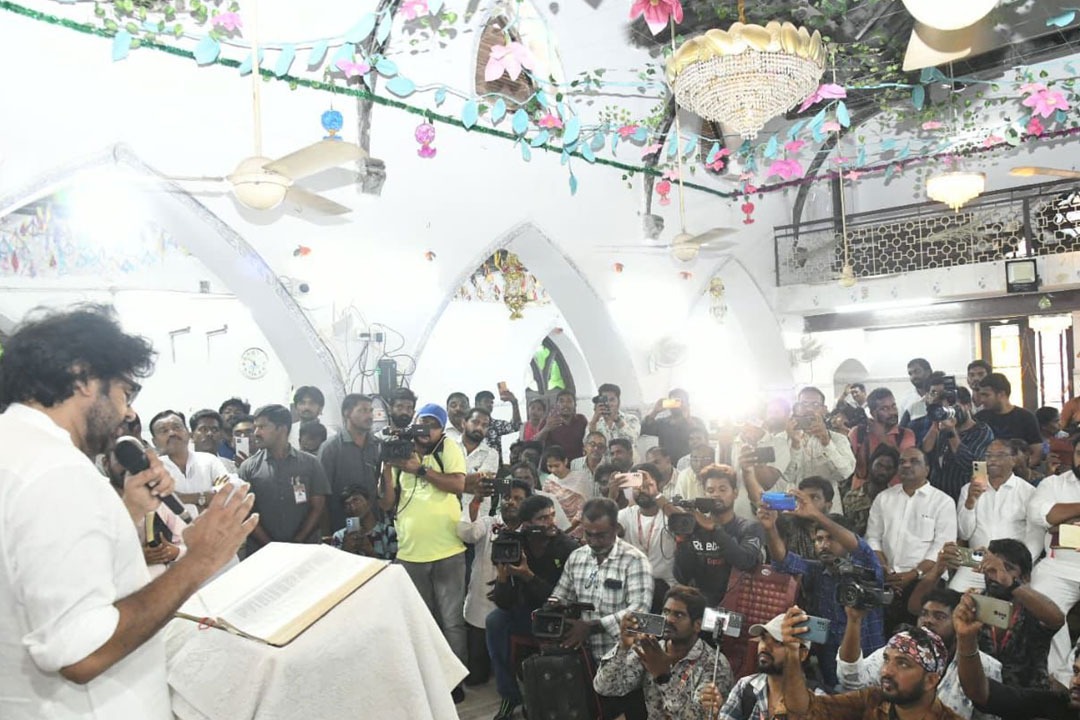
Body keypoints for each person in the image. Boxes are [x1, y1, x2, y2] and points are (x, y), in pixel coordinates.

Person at [0, 305, 255, 718]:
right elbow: (81, 652)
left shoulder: (16, 448)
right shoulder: (56, 470)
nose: (128, 412)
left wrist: (129, 511)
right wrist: (202, 560)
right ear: (83, 377)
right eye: (124, 392)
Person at [376, 402, 470, 703]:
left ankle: (455, 682)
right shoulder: (401, 450)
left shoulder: (448, 448)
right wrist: (387, 468)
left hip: (448, 550)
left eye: (433, 425)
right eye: (422, 423)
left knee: (452, 621)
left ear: (442, 429)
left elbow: (458, 484)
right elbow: (386, 503)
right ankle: (429, 679)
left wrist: (420, 469)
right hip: (411, 553)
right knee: (421, 621)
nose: (426, 429)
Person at [759, 490, 886, 689]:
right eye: (819, 539)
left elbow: (860, 549)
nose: (824, 545)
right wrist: (770, 528)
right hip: (831, 674)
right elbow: (783, 561)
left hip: (869, 674)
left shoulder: (866, 570)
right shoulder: (817, 571)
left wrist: (817, 515)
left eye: (831, 538)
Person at [548, 498, 654, 718]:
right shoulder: (577, 557)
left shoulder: (634, 560)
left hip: (625, 663)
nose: (594, 541)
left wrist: (592, 626)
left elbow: (639, 612)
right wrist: (553, 609)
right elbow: (560, 594)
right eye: (589, 534)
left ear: (615, 528)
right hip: (584, 661)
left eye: (601, 535)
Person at [908, 539, 1061, 689]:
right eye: (992, 566)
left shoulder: (1035, 610)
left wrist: (1010, 583)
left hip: (1026, 697)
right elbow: (915, 607)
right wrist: (936, 571)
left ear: (1025, 577)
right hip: (977, 694)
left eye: (1007, 568)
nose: (996, 574)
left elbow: (1057, 619)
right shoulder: (968, 604)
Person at [838, 588, 1000, 720]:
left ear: (959, 621)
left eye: (939, 616)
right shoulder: (897, 651)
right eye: (924, 614)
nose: (928, 620)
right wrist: (854, 621)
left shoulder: (985, 666)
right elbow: (851, 679)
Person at [783, 605, 963, 720]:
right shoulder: (872, 700)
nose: (886, 671)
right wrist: (792, 653)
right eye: (886, 659)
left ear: (930, 680)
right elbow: (805, 710)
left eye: (903, 664)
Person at [488, 494, 580, 719]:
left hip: (557, 614)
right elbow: (504, 602)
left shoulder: (566, 547)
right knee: (495, 621)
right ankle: (509, 695)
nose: (551, 522)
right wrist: (502, 578)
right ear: (527, 524)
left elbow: (561, 598)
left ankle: (551, 700)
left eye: (552, 515)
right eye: (543, 518)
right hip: (524, 611)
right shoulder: (514, 544)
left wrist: (528, 576)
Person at [593, 585, 732, 720]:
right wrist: (623, 647)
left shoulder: (715, 664)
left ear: (697, 625)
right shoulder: (651, 649)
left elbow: (698, 717)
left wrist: (664, 678)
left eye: (678, 615)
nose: (668, 619)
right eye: (665, 612)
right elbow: (605, 687)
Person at [865, 447, 956, 628]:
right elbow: (873, 538)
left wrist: (914, 574)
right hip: (887, 579)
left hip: (925, 580)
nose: (906, 465)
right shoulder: (884, 498)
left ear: (927, 469)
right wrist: (885, 568)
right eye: (902, 462)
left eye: (914, 461)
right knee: (883, 632)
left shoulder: (943, 502)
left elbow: (941, 547)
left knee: (919, 635)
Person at [953, 592, 1080, 720]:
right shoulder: (1055, 705)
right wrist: (966, 638)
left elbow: (1056, 620)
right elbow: (979, 693)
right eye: (1076, 672)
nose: (1076, 681)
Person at [458, 479, 532, 687]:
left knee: (518, 670)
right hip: (481, 608)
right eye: (507, 497)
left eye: (517, 498)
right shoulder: (489, 523)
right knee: (477, 676)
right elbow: (466, 533)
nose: (510, 502)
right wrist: (476, 501)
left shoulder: (531, 531)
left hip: (514, 608)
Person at [239, 404, 331, 556]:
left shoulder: (311, 464)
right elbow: (246, 513)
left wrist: (298, 541)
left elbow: (318, 506)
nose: (256, 433)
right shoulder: (248, 468)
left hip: (305, 551)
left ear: (281, 429)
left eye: (262, 427)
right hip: (263, 554)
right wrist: (271, 547)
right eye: (256, 427)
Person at [954, 439, 1043, 591]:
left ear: (1013, 460)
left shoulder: (1028, 492)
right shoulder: (968, 489)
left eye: (1000, 455)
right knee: (954, 594)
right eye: (988, 455)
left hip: (1011, 567)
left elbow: (1036, 536)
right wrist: (970, 502)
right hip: (976, 562)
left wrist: (1018, 566)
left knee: (1012, 602)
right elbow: (964, 533)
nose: (992, 460)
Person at [670, 465, 765, 605]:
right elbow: (682, 577)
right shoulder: (693, 528)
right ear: (704, 494)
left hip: (737, 604)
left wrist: (715, 529)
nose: (716, 495)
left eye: (722, 489)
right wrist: (682, 541)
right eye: (710, 490)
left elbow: (745, 562)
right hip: (699, 605)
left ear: (735, 493)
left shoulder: (749, 528)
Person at [1027, 436, 1080, 687]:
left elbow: (1056, 518)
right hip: (1058, 566)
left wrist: (1064, 520)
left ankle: (1073, 674)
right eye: (1079, 453)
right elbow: (1042, 515)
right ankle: (1058, 681)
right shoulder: (1053, 484)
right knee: (1041, 605)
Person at [701, 612, 815, 720]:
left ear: (802, 654)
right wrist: (714, 715)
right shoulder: (745, 686)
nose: (765, 646)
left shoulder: (816, 700)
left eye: (778, 642)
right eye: (763, 638)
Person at [317, 393, 382, 533]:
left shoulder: (378, 445)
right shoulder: (331, 448)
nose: (369, 416)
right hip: (341, 528)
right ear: (347, 413)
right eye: (363, 410)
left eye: (371, 411)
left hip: (374, 528)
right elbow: (321, 495)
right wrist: (326, 533)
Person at [617, 463, 678, 612]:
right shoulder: (625, 515)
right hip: (632, 586)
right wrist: (612, 494)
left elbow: (682, 523)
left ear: (659, 485)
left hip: (666, 589)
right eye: (636, 487)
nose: (641, 491)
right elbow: (607, 529)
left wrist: (655, 494)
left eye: (646, 485)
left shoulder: (669, 512)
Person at [921, 382, 994, 502]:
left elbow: (971, 465)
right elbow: (925, 451)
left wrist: (951, 431)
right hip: (938, 498)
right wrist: (936, 422)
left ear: (968, 406)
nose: (951, 413)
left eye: (954, 408)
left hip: (965, 498)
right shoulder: (943, 429)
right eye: (947, 409)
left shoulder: (982, 431)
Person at [784, 386, 857, 502]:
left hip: (827, 506)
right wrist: (795, 445)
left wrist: (826, 442)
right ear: (797, 409)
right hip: (795, 504)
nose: (809, 409)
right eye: (804, 404)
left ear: (824, 410)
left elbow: (845, 473)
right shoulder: (784, 438)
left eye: (815, 405)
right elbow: (787, 477)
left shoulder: (839, 439)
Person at [849, 388, 916, 488]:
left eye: (893, 406)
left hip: (895, 492)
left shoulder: (905, 434)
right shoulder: (858, 433)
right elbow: (852, 467)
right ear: (873, 413)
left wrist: (881, 436)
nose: (892, 412)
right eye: (885, 409)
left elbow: (905, 464)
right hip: (862, 493)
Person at [975, 373, 1042, 465]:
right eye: (981, 395)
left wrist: (1022, 470)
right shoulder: (979, 418)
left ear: (1001, 394)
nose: (982, 400)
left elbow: (1036, 452)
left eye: (986, 395)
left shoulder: (1026, 417)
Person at [329, 484, 397, 559]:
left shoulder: (389, 533)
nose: (353, 507)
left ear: (369, 502)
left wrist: (369, 550)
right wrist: (346, 549)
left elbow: (394, 564)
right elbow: (335, 564)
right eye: (347, 505)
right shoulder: (339, 536)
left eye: (356, 501)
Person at [641, 389, 703, 462]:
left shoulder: (696, 421)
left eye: (680, 401)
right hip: (667, 464)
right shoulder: (662, 422)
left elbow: (700, 439)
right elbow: (643, 429)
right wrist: (655, 411)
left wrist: (688, 418)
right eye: (674, 401)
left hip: (689, 463)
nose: (677, 405)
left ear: (687, 404)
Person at [536, 389, 589, 459]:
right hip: (556, 463)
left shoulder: (581, 420)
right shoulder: (548, 421)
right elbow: (536, 442)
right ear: (556, 405)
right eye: (561, 401)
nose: (565, 404)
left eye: (569, 401)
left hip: (577, 462)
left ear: (575, 405)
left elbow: (588, 440)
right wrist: (546, 428)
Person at [589, 382, 642, 447]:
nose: (608, 403)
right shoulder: (595, 422)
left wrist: (617, 420)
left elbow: (632, 440)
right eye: (605, 400)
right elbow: (588, 445)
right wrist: (594, 422)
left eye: (612, 400)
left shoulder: (631, 419)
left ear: (618, 402)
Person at [475, 388, 522, 457]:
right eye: (486, 401)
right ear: (477, 404)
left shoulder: (497, 425)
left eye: (491, 402)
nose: (489, 405)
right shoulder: (468, 425)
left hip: (495, 463)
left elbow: (516, 427)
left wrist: (514, 403)